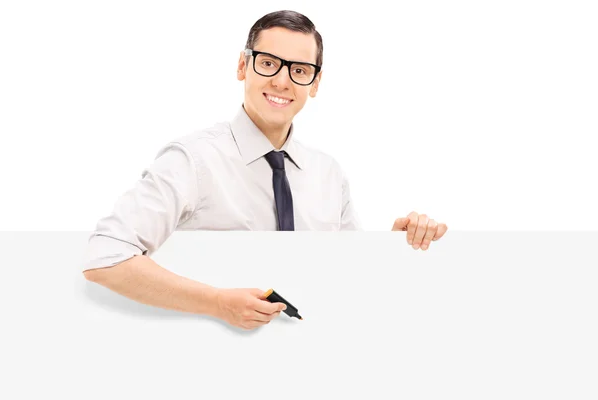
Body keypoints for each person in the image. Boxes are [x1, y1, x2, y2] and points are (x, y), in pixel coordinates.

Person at [82, 10, 448, 330]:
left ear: (315, 84)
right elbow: (105, 256)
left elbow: (349, 282)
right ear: (243, 65)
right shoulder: (192, 160)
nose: (282, 81)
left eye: (300, 70)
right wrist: (218, 303)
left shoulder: (328, 175)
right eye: (269, 63)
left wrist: (394, 245)